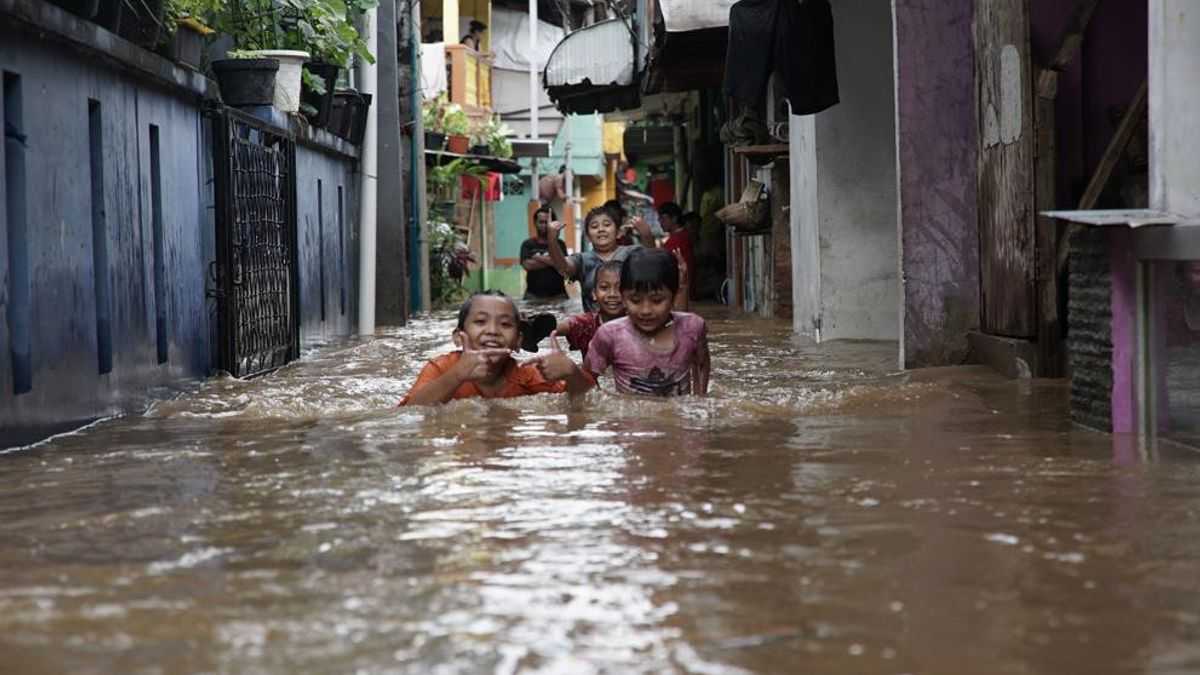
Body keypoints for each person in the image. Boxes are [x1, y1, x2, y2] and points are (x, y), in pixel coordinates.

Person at [399, 291, 592, 406]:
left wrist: (571, 372)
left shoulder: (528, 375)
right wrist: (457, 375)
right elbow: (408, 414)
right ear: (459, 336)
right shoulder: (443, 369)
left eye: (505, 324)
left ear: (518, 341)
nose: (492, 331)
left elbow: (587, 401)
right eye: (481, 321)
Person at [584, 248, 710, 397]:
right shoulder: (610, 335)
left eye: (657, 300)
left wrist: (700, 399)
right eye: (635, 300)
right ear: (623, 298)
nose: (645, 310)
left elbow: (702, 364)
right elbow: (586, 379)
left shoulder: (693, 327)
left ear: (674, 297)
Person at [546, 206, 655, 313]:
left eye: (607, 225)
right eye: (594, 226)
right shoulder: (582, 260)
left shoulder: (631, 253)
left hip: (629, 323)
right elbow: (563, 267)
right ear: (588, 237)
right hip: (595, 325)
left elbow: (652, 260)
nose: (601, 229)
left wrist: (646, 233)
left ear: (618, 232)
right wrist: (551, 240)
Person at [519, 205, 568, 300]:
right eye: (541, 222)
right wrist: (553, 261)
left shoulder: (560, 244)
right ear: (535, 223)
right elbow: (527, 265)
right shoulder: (528, 244)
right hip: (532, 296)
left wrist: (537, 257)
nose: (544, 226)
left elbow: (564, 267)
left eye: (547, 222)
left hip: (559, 296)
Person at [658, 202, 694, 287]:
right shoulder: (684, 236)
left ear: (674, 218)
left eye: (663, 219)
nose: (660, 222)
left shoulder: (677, 240)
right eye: (659, 219)